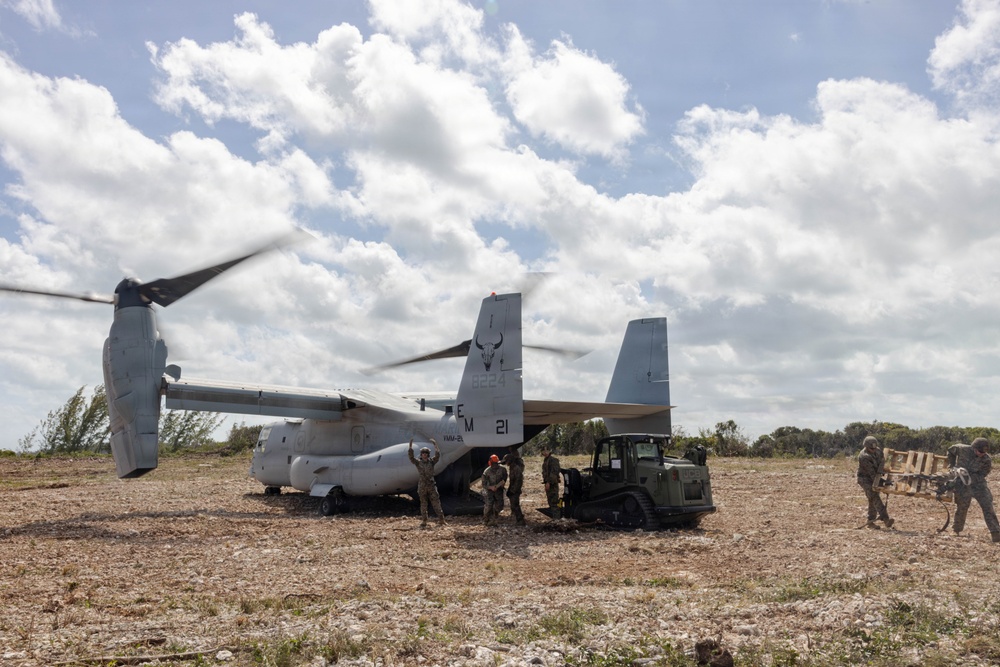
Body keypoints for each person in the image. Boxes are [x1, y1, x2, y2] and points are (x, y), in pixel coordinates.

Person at [947, 438, 1000, 543]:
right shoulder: (962, 449)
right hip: (962, 485)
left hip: (979, 486)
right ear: (973, 448)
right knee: (962, 507)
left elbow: (983, 474)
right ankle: (956, 530)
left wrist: (970, 478)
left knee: (988, 506)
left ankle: (996, 533)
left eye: (984, 452)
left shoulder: (987, 460)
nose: (981, 454)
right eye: (980, 451)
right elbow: (950, 451)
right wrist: (952, 466)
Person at [407, 438, 446, 528]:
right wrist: (410, 447)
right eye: (423, 453)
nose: (424, 455)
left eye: (426, 453)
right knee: (423, 503)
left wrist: (436, 445)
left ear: (428, 455)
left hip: (431, 485)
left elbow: (437, 456)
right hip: (422, 485)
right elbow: (411, 458)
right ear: (421, 455)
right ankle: (424, 520)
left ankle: (441, 519)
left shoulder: (431, 462)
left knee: (436, 502)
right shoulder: (418, 462)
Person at [857, 436, 893, 529]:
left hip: (876, 476)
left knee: (872, 499)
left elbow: (882, 461)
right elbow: (871, 473)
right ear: (866, 447)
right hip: (865, 479)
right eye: (871, 448)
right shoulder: (863, 456)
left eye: (874, 448)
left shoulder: (878, 451)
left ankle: (870, 521)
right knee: (874, 496)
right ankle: (885, 518)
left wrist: (882, 475)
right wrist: (882, 483)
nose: (873, 450)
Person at [481, 454, 508, 526]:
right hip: (489, 491)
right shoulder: (487, 471)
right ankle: (486, 520)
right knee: (488, 506)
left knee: (499, 506)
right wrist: (491, 487)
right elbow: (483, 484)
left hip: (499, 491)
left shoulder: (502, 470)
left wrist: (501, 484)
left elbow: (504, 478)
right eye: (494, 463)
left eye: (496, 463)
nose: (495, 465)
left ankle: (495, 517)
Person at [502, 446, 526, 525]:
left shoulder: (516, 468)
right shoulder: (512, 467)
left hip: (515, 490)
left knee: (515, 505)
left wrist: (513, 490)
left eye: (506, 461)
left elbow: (519, 481)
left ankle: (520, 521)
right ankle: (518, 519)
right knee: (514, 505)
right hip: (513, 489)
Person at [541, 446, 562, 519]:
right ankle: (555, 519)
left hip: (552, 484)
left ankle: (557, 519)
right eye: (543, 451)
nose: (545, 452)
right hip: (548, 483)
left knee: (554, 503)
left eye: (547, 450)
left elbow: (554, 472)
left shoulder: (553, 460)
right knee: (550, 502)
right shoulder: (546, 460)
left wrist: (548, 482)